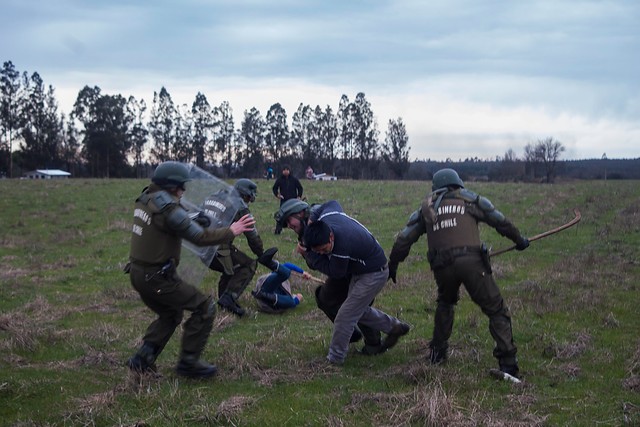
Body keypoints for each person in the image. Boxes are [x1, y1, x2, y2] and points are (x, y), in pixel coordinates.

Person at [387, 168, 529, 378]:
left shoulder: (427, 208)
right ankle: (508, 364)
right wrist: (519, 240)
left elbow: (403, 239)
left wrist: (393, 264)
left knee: (445, 303)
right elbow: (499, 221)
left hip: (442, 266)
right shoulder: (469, 200)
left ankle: (437, 354)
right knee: (496, 310)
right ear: (458, 183)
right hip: (472, 263)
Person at [126, 161, 255, 379]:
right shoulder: (167, 208)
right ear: (171, 186)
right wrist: (232, 230)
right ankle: (189, 363)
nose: (183, 190)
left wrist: (194, 217)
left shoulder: (147, 197)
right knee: (204, 307)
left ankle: (142, 359)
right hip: (158, 277)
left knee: (171, 313)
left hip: (138, 273)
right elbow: (199, 237)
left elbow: (170, 221)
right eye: (181, 186)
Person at [301, 200, 411, 365]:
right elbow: (332, 203)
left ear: (331, 236)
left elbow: (335, 272)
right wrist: (311, 223)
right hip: (361, 270)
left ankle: (335, 359)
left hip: (374, 273)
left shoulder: (341, 246)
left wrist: (309, 255)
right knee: (357, 311)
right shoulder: (329, 215)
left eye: (324, 249)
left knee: (345, 316)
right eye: (319, 251)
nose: (323, 253)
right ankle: (394, 327)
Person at [274, 199, 384, 354]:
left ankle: (374, 342)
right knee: (325, 298)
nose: (289, 226)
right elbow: (318, 263)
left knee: (354, 306)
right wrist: (308, 254)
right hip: (342, 268)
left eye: (289, 221)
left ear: (300, 213)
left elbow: (332, 267)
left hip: (361, 268)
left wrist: (308, 254)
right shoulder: (305, 232)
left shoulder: (321, 219)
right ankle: (351, 333)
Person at [203, 178, 271, 317]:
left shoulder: (214, 196)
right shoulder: (239, 206)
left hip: (200, 246)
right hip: (217, 246)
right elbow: (252, 235)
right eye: (249, 198)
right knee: (248, 265)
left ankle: (223, 299)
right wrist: (261, 254)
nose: (249, 202)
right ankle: (229, 298)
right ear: (245, 195)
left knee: (231, 266)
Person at [272, 165, 303, 234]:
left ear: (289, 171)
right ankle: (278, 231)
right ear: (282, 171)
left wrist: (299, 196)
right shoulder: (279, 179)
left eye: (287, 170)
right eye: (284, 170)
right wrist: (277, 195)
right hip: (284, 201)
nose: (286, 171)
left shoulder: (294, 179)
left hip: (293, 201)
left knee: (297, 216)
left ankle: (300, 230)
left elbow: (300, 188)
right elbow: (274, 188)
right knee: (281, 216)